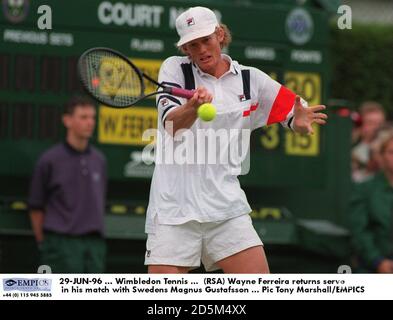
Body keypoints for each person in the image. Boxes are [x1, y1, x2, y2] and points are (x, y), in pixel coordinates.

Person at [145, 7, 327, 274]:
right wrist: (193, 106)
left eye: (206, 39)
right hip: (174, 212)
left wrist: (298, 123)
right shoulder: (174, 70)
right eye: (193, 45)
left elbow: (294, 114)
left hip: (226, 210)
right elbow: (171, 125)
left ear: (220, 35)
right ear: (185, 49)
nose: (202, 50)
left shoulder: (251, 80)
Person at [28, 96, 107, 273]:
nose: (90, 123)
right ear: (67, 120)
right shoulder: (49, 160)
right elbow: (36, 207)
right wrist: (45, 243)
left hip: (94, 247)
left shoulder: (99, 160)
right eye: (83, 117)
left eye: (92, 117)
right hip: (61, 245)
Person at [349, 133, 393, 273]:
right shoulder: (364, 189)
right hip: (372, 268)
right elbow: (359, 230)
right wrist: (377, 261)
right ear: (381, 156)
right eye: (391, 152)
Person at [351, 101, 386, 182]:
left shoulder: (388, 149)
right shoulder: (351, 146)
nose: (376, 127)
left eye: (379, 123)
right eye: (371, 123)